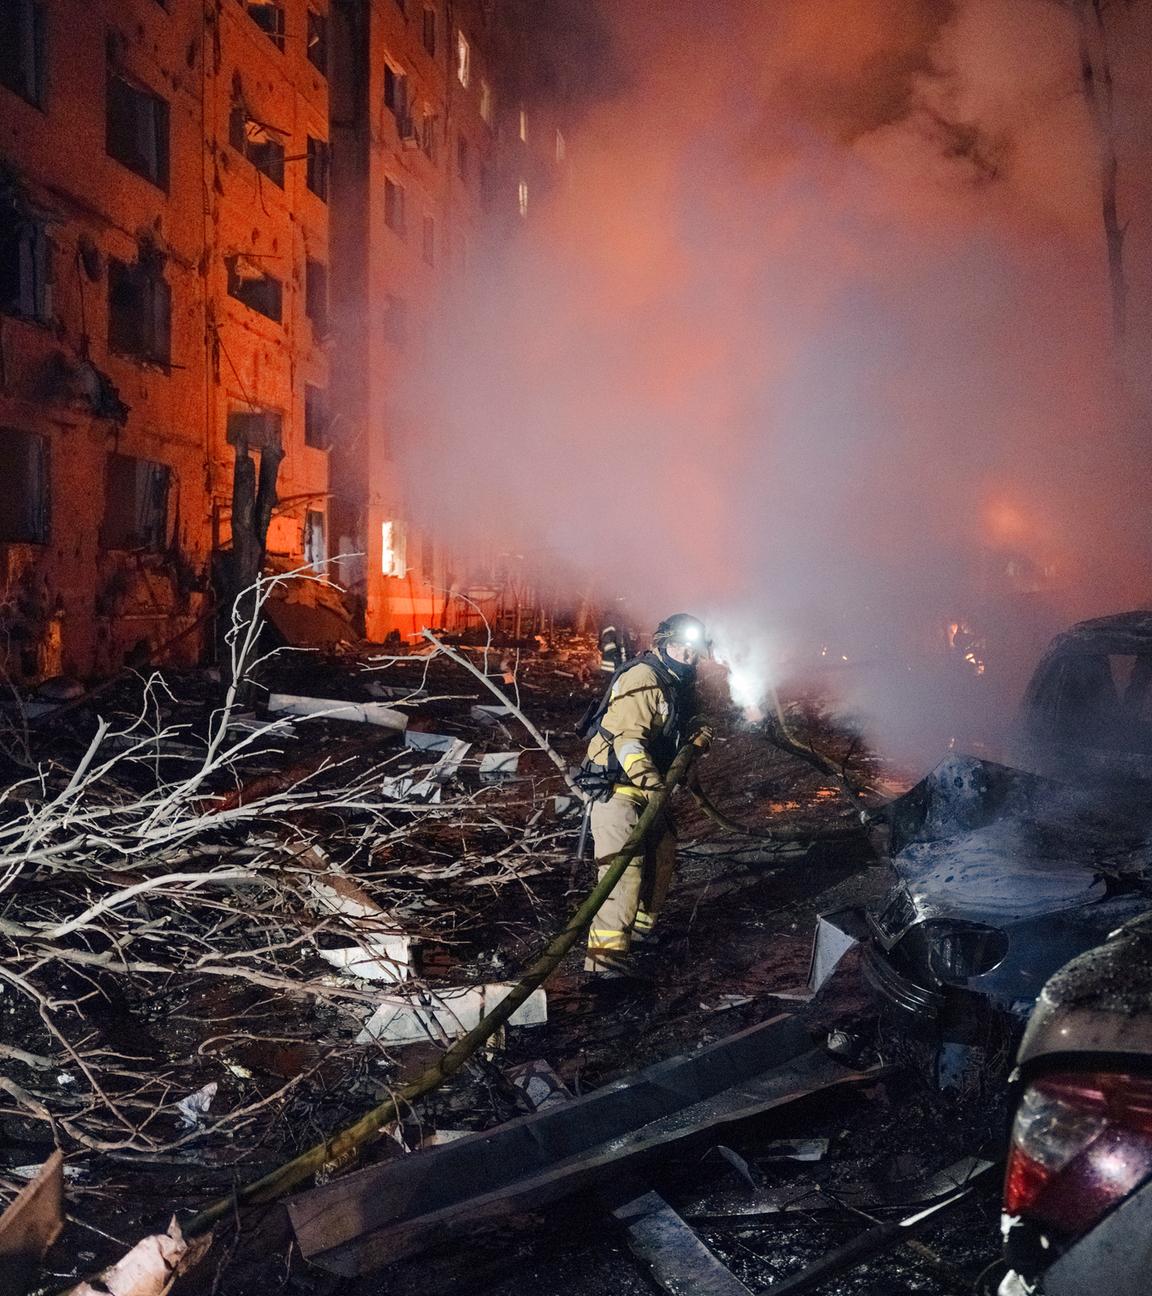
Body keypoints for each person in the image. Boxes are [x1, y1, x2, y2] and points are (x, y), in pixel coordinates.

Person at [579, 613, 707, 981]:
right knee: (623, 873)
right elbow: (628, 744)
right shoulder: (643, 678)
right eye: (680, 646)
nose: (687, 654)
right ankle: (604, 964)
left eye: (692, 649)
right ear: (663, 644)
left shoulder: (679, 682)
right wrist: (654, 787)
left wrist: (701, 733)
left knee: (662, 855)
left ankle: (639, 933)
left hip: (649, 791)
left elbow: (689, 722)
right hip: (617, 790)